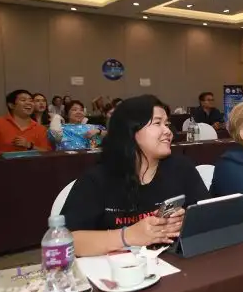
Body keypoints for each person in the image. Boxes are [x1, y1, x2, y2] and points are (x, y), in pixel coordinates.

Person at [60, 95, 209, 256]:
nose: (168, 131)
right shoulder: (97, 179)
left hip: (171, 264)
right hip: (115, 268)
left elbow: (209, 217)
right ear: (130, 131)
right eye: (157, 123)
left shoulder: (181, 168)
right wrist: (128, 236)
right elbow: (64, 241)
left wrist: (186, 223)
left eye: (167, 124)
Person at [0, 90, 52, 157]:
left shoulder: (40, 128)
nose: (29, 103)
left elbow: (46, 152)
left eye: (31, 100)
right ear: (11, 105)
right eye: (23, 100)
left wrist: (30, 145)